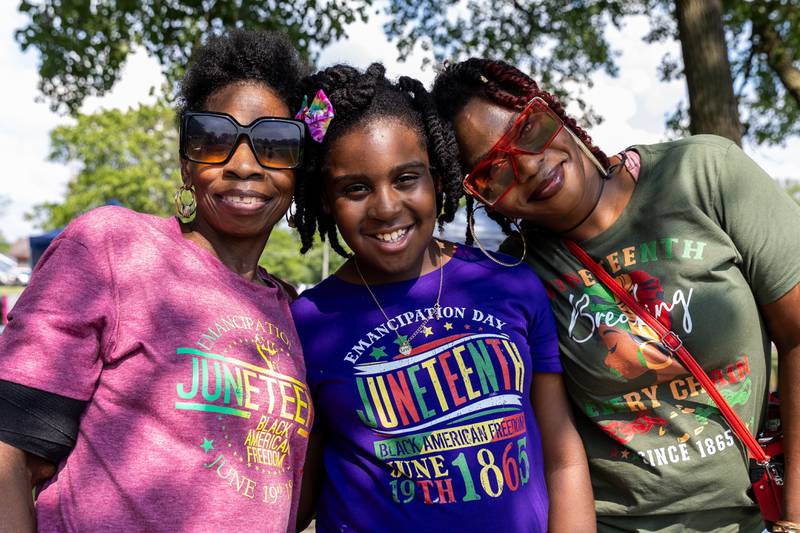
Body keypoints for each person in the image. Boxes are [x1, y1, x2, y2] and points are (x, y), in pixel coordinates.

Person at [430, 57, 800, 532]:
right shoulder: (518, 274)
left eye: (528, 129)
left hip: (756, 518)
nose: (526, 165)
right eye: (493, 172)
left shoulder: (704, 174)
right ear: (482, 198)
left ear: (554, 111)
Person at [0, 31, 314, 532]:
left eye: (275, 144)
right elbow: (10, 452)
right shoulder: (111, 247)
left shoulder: (293, 312)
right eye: (213, 137)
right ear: (186, 161)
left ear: (298, 170)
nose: (244, 165)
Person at [289, 63, 594, 532]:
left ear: (437, 176)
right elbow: (292, 491)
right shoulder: (308, 321)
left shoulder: (510, 282)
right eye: (355, 189)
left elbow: (563, 456)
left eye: (407, 178)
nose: (387, 207)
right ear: (326, 200)